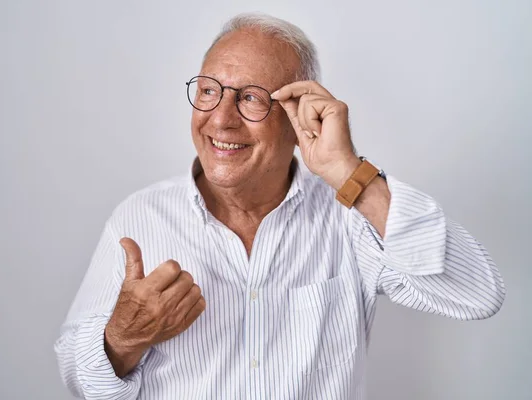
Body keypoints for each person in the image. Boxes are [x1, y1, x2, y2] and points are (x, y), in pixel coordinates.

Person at [54, 12, 505, 400]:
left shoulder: (346, 216)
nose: (221, 119)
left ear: (298, 115)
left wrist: (350, 174)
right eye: (209, 90)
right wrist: (121, 339)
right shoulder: (140, 217)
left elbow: (477, 294)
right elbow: (78, 379)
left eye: (250, 97)